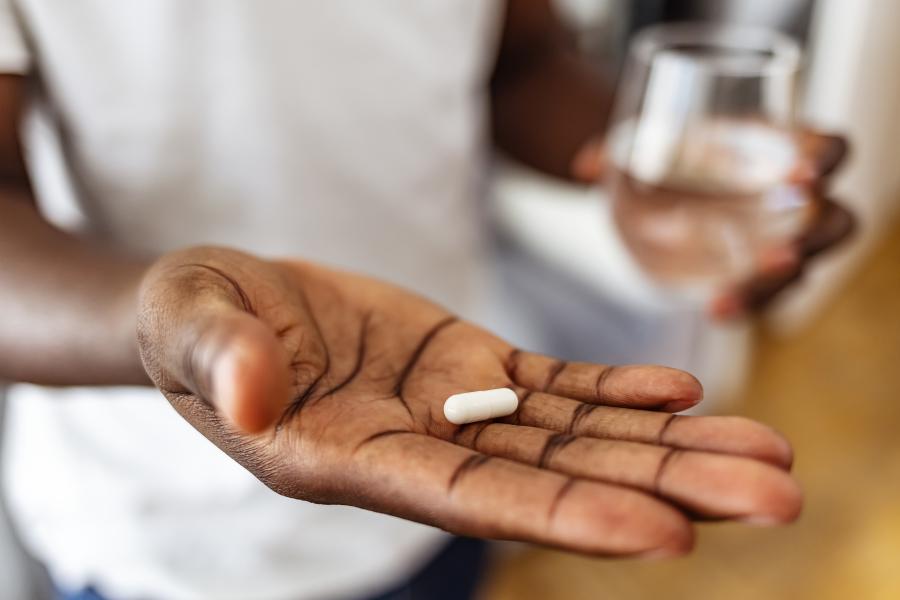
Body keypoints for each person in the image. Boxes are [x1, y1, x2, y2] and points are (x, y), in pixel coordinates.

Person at [0, 1, 853, 599]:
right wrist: (155, 319)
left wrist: (642, 161)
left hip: (449, 441)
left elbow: (519, 60)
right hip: (170, 531)